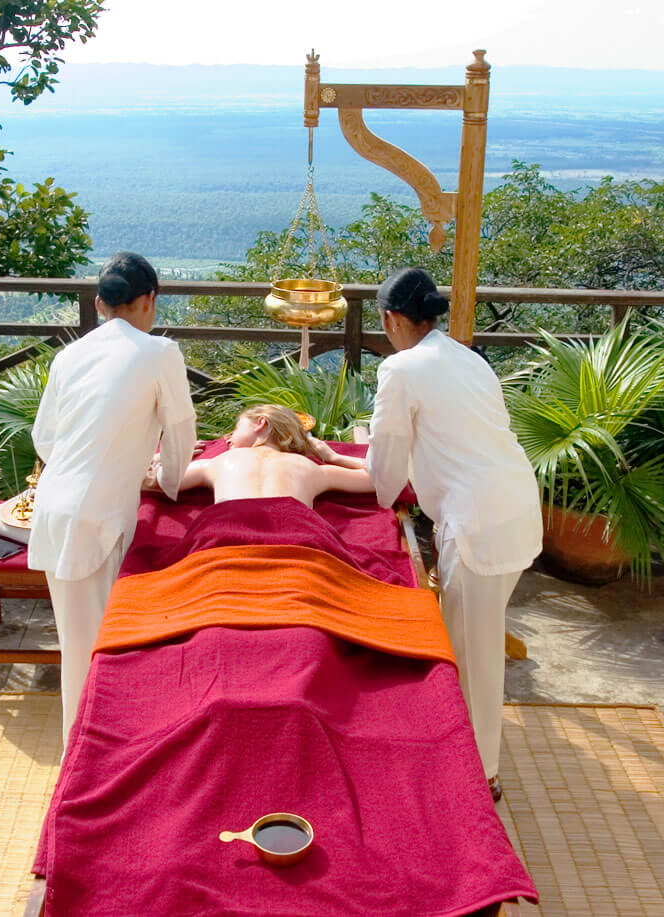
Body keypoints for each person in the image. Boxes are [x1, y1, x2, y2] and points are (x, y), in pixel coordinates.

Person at [364, 267, 542, 802]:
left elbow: (386, 468)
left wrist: (376, 489)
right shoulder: (469, 358)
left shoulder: (400, 368)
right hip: (516, 506)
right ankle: (462, 754)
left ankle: (480, 777)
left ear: (391, 319)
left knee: (474, 656)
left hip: (478, 525)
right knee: (471, 642)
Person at [23, 251, 197, 747]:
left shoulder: (70, 355)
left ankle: (91, 753)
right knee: (94, 652)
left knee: (78, 644)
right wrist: (165, 481)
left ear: (100, 304)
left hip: (56, 505)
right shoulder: (159, 352)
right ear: (150, 301)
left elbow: (45, 438)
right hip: (92, 517)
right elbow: (181, 433)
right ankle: (85, 763)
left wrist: (107, 462)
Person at [150, 404, 371, 505]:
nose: (228, 439)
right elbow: (379, 479)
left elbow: (157, 481)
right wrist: (334, 457)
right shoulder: (310, 468)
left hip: (230, 530)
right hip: (294, 536)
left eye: (236, 428)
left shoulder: (219, 461)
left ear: (260, 423)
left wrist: (168, 457)